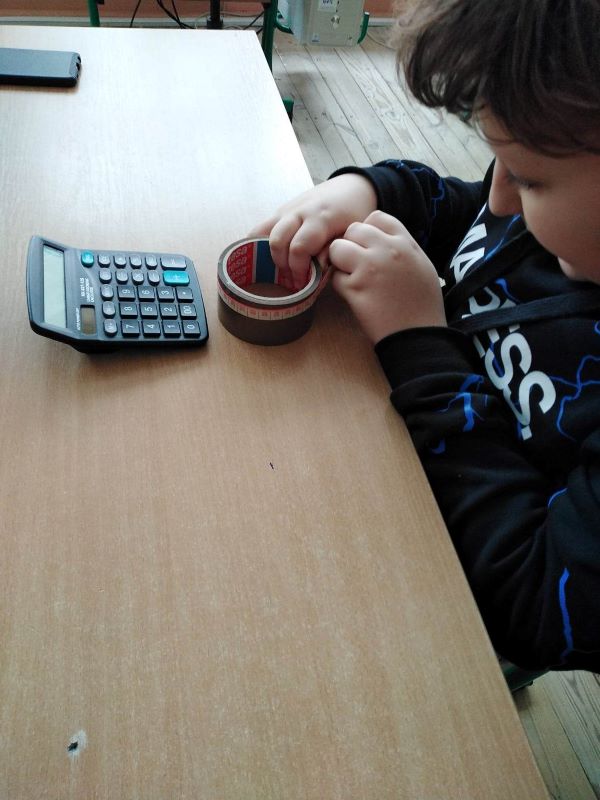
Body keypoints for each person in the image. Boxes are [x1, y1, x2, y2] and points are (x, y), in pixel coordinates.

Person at [249, 0, 600, 673]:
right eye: (496, 158)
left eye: (530, 179)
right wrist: (370, 192)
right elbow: (476, 217)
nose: (500, 198)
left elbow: (536, 606)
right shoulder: (560, 229)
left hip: (465, 593)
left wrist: (418, 341)